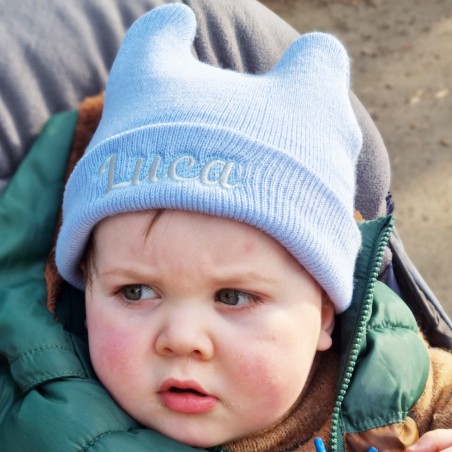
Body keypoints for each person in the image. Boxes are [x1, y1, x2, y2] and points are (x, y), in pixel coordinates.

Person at [0, 3, 450, 451]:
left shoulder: (390, 375)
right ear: (87, 293)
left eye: (233, 297)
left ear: (324, 315)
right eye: (135, 291)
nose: (182, 339)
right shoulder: (36, 419)